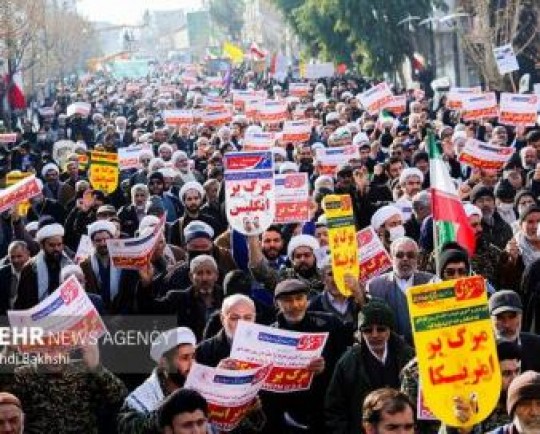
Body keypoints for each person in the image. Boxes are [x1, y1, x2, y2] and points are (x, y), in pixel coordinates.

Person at [262, 279, 350, 434]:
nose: (295, 305)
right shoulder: (269, 336)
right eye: (288, 301)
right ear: (277, 304)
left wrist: (325, 367)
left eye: (299, 298)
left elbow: (345, 363)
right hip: (289, 416)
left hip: (326, 411)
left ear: (307, 300)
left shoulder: (329, 324)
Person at [325, 300, 415, 434]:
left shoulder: (409, 357)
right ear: (360, 332)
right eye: (367, 330)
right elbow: (335, 409)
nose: (374, 335)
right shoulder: (348, 362)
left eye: (381, 329)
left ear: (390, 329)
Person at [9, 344, 127, 434]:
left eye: (60, 349)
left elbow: (119, 397)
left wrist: (96, 367)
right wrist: (7, 352)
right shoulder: (25, 374)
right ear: (38, 350)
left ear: (70, 348)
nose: (55, 357)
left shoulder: (84, 369)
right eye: (49, 350)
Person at [117, 327, 197, 434]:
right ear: (164, 362)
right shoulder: (140, 398)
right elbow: (126, 428)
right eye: (185, 358)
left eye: (193, 357)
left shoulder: (200, 387)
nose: (193, 364)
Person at [367, 237, 437, 344]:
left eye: (410, 255)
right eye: (399, 255)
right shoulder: (375, 286)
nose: (405, 259)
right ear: (391, 257)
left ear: (417, 258)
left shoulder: (432, 282)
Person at [138, 255, 224, 341]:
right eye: (199, 273)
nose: (204, 278)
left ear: (216, 275)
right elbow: (148, 310)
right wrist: (146, 285)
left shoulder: (227, 299)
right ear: (191, 276)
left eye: (209, 273)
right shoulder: (177, 299)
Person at [79, 220, 137, 314]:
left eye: (106, 239)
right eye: (98, 240)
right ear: (92, 242)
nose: (103, 243)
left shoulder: (125, 261)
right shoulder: (85, 265)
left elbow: (130, 293)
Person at [14, 223, 72, 309]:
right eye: (51, 245)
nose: (56, 249)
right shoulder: (30, 268)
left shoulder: (69, 265)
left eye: (59, 245)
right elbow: (22, 301)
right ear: (42, 246)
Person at [248, 234, 324, 297]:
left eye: (307, 255)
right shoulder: (285, 277)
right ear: (292, 260)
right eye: (298, 256)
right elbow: (260, 270)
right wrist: (253, 235)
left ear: (315, 257)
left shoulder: (326, 276)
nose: (302, 259)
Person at [196, 294, 256, 367]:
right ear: (222, 319)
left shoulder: (266, 348)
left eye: (247, 318)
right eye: (234, 318)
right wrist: (217, 373)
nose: (241, 323)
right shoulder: (202, 351)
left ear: (254, 319)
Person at [489, 290, 540, 371]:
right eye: (500, 318)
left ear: (521, 316)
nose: (507, 324)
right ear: (490, 320)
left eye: (512, 316)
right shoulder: (483, 351)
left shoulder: (536, 345)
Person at [0, 241, 30, 314]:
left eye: (19, 256)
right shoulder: (2, 273)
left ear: (28, 254)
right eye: (12, 257)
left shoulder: (36, 272)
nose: (15, 260)